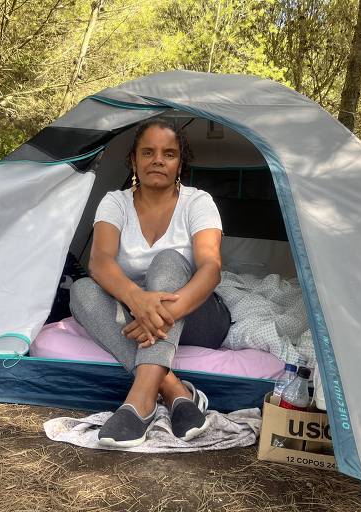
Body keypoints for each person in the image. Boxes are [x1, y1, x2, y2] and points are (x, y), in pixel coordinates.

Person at [69, 118, 231, 448]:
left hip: (196, 315)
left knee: (169, 260)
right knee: (82, 290)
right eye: (148, 152)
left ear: (179, 163)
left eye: (169, 153)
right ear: (133, 160)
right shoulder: (115, 202)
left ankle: (140, 403)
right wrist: (137, 300)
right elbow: (99, 262)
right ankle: (175, 392)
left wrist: (157, 313)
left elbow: (211, 268)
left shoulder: (198, 202)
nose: (158, 160)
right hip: (135, 314)